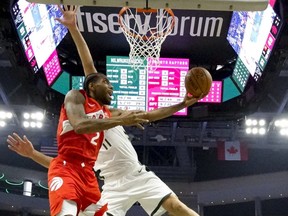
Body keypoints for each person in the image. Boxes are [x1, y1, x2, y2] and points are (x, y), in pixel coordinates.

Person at [7, 5, 201, 216]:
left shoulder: (108, 112)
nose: (111, 87)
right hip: (112, 185)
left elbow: (150, 115)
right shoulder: (81, 107)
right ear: (92, 87)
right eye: (106, 83)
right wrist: (33, 154)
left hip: (137, 174)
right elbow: (61, 163)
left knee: (176, 207)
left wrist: (182, 104)